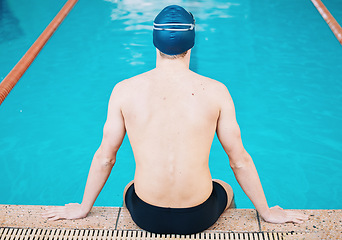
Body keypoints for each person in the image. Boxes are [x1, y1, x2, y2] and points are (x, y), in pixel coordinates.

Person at [42, 5, 308, 234]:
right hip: (199, 215)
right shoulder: (217, 91)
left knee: (129, 187)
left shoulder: (124, 90)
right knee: (224, 187)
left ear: (154, 42)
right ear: (191, 42)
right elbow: (238, 160)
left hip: (145, 215)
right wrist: (267, 212)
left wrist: (82, 208)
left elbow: (106, 157)